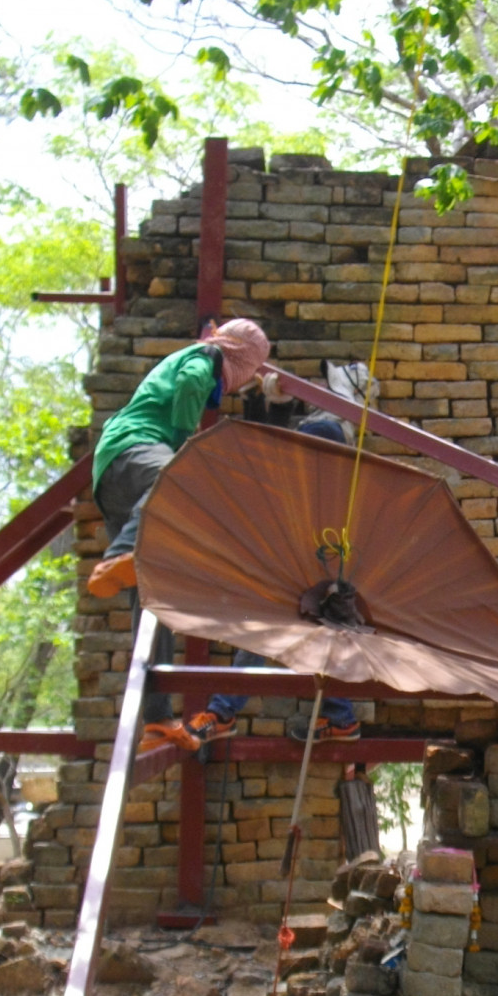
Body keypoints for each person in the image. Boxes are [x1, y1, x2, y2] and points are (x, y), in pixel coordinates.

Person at [146, 412, 362, 750]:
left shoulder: (344, 502)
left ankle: (335, 717)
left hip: (330, 601)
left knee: (313, 624)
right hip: (296, 592)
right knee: (265, 623)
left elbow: (341, 560)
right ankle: (333, 717)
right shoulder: (299, 494)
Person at [86, 317, 270, 599]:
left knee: (147, 584)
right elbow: (192, 379)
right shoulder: (208, 356)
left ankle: (124, 567)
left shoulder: (185, 359)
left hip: (109, 471)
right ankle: (121, 550)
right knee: (176, 483)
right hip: (136, 444)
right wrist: (184, 442)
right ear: (242, 358)